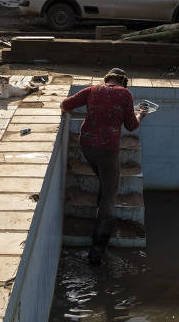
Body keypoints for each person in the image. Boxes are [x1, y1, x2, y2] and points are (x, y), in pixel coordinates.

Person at [60, 67, 146, 265]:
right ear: (123, 83)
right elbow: (131, 126)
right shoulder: (124, 94)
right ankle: (97, 249)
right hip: (107, 149)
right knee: (110, 196)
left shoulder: (93, 89)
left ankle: (101, 203)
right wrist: (141, 114)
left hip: (87, 144)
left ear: (107, 79)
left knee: (104, 180)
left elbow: (65, 105)